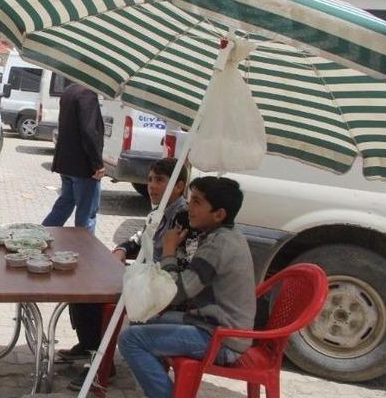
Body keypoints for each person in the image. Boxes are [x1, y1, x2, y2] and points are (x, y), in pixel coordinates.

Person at [118, 176, 256, 398]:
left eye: (197, 203)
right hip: (209, 324)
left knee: (130, 339)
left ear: (219, 214)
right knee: (141, 318)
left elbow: (177, 292)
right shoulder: (223, 235)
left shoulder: (219, 244)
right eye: (190, 200)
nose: (189, 208)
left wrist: (170, 249)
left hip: (223, 338)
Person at [62, 157, 192, 391]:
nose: (152, 186)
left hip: (163, 289)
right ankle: (89, 344)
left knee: (90, 291)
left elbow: (178, 268)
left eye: (160, 181)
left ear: (179, 186)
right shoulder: (160, 211)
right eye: (150, 180)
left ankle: (101, 363)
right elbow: (141, 237)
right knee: (82, 275)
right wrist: (122, 249)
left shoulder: (183, 217)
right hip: (147, 276)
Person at [41, 83, 104, 235]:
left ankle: (40, 235)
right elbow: (89, 131)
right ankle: (85, 251)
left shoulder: (70, 90)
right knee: (87, 214)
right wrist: (97, 164)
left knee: (64, 205)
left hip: (66, 163)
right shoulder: (87, 94)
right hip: (83, 166)